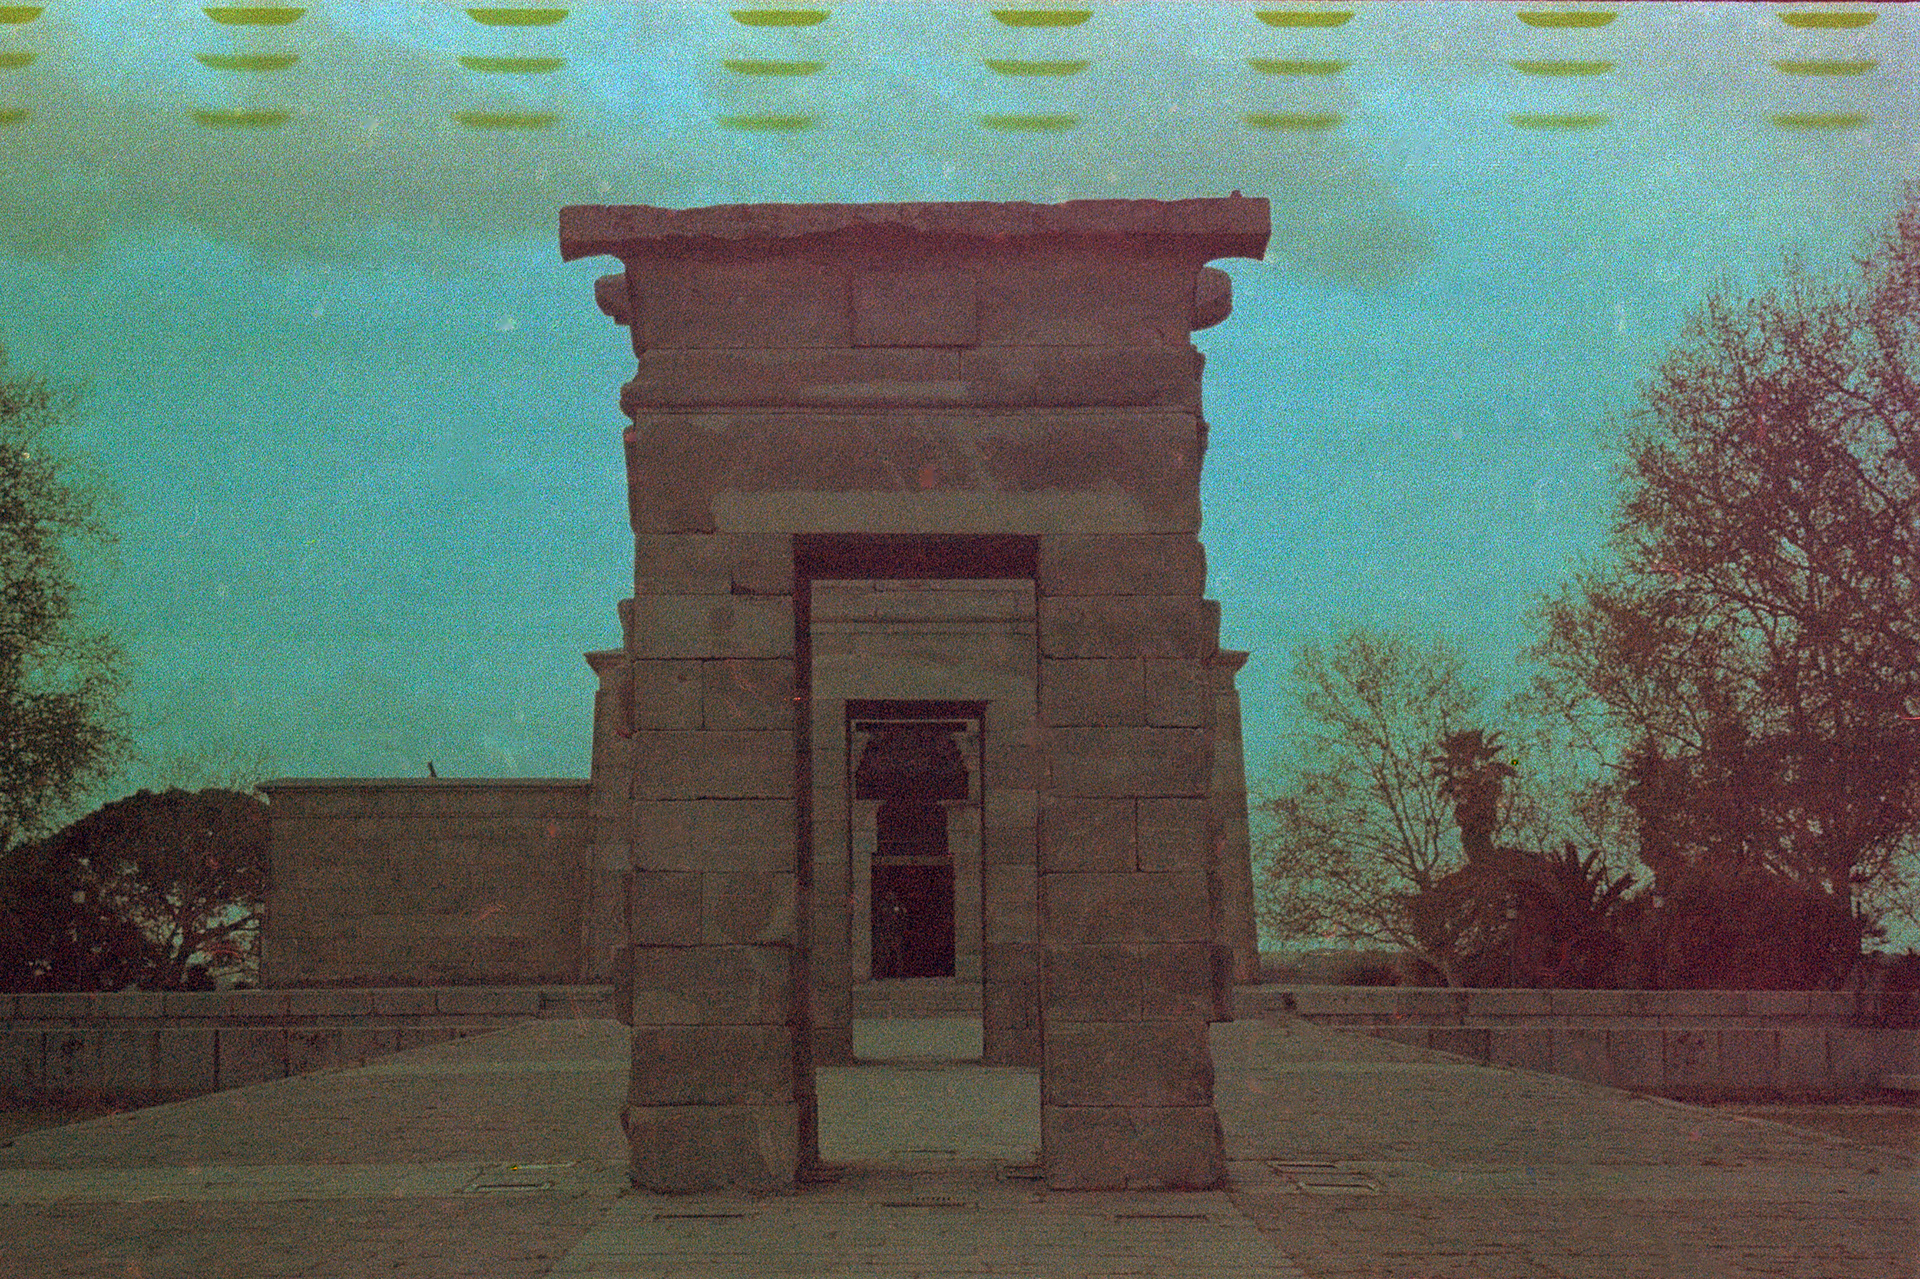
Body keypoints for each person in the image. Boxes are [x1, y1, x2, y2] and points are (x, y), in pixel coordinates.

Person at [874, 886, 909, 978]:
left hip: (896, 932)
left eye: (892, 894)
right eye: (889, 894)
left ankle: (900, 974)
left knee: (898, 954)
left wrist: (902, 928)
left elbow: (904, 917)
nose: (890, 896)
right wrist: (880, 932)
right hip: (886, 932)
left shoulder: (899, 905)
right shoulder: (883, 905)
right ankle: (881, 974)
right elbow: (878, 919)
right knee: (884, 953)